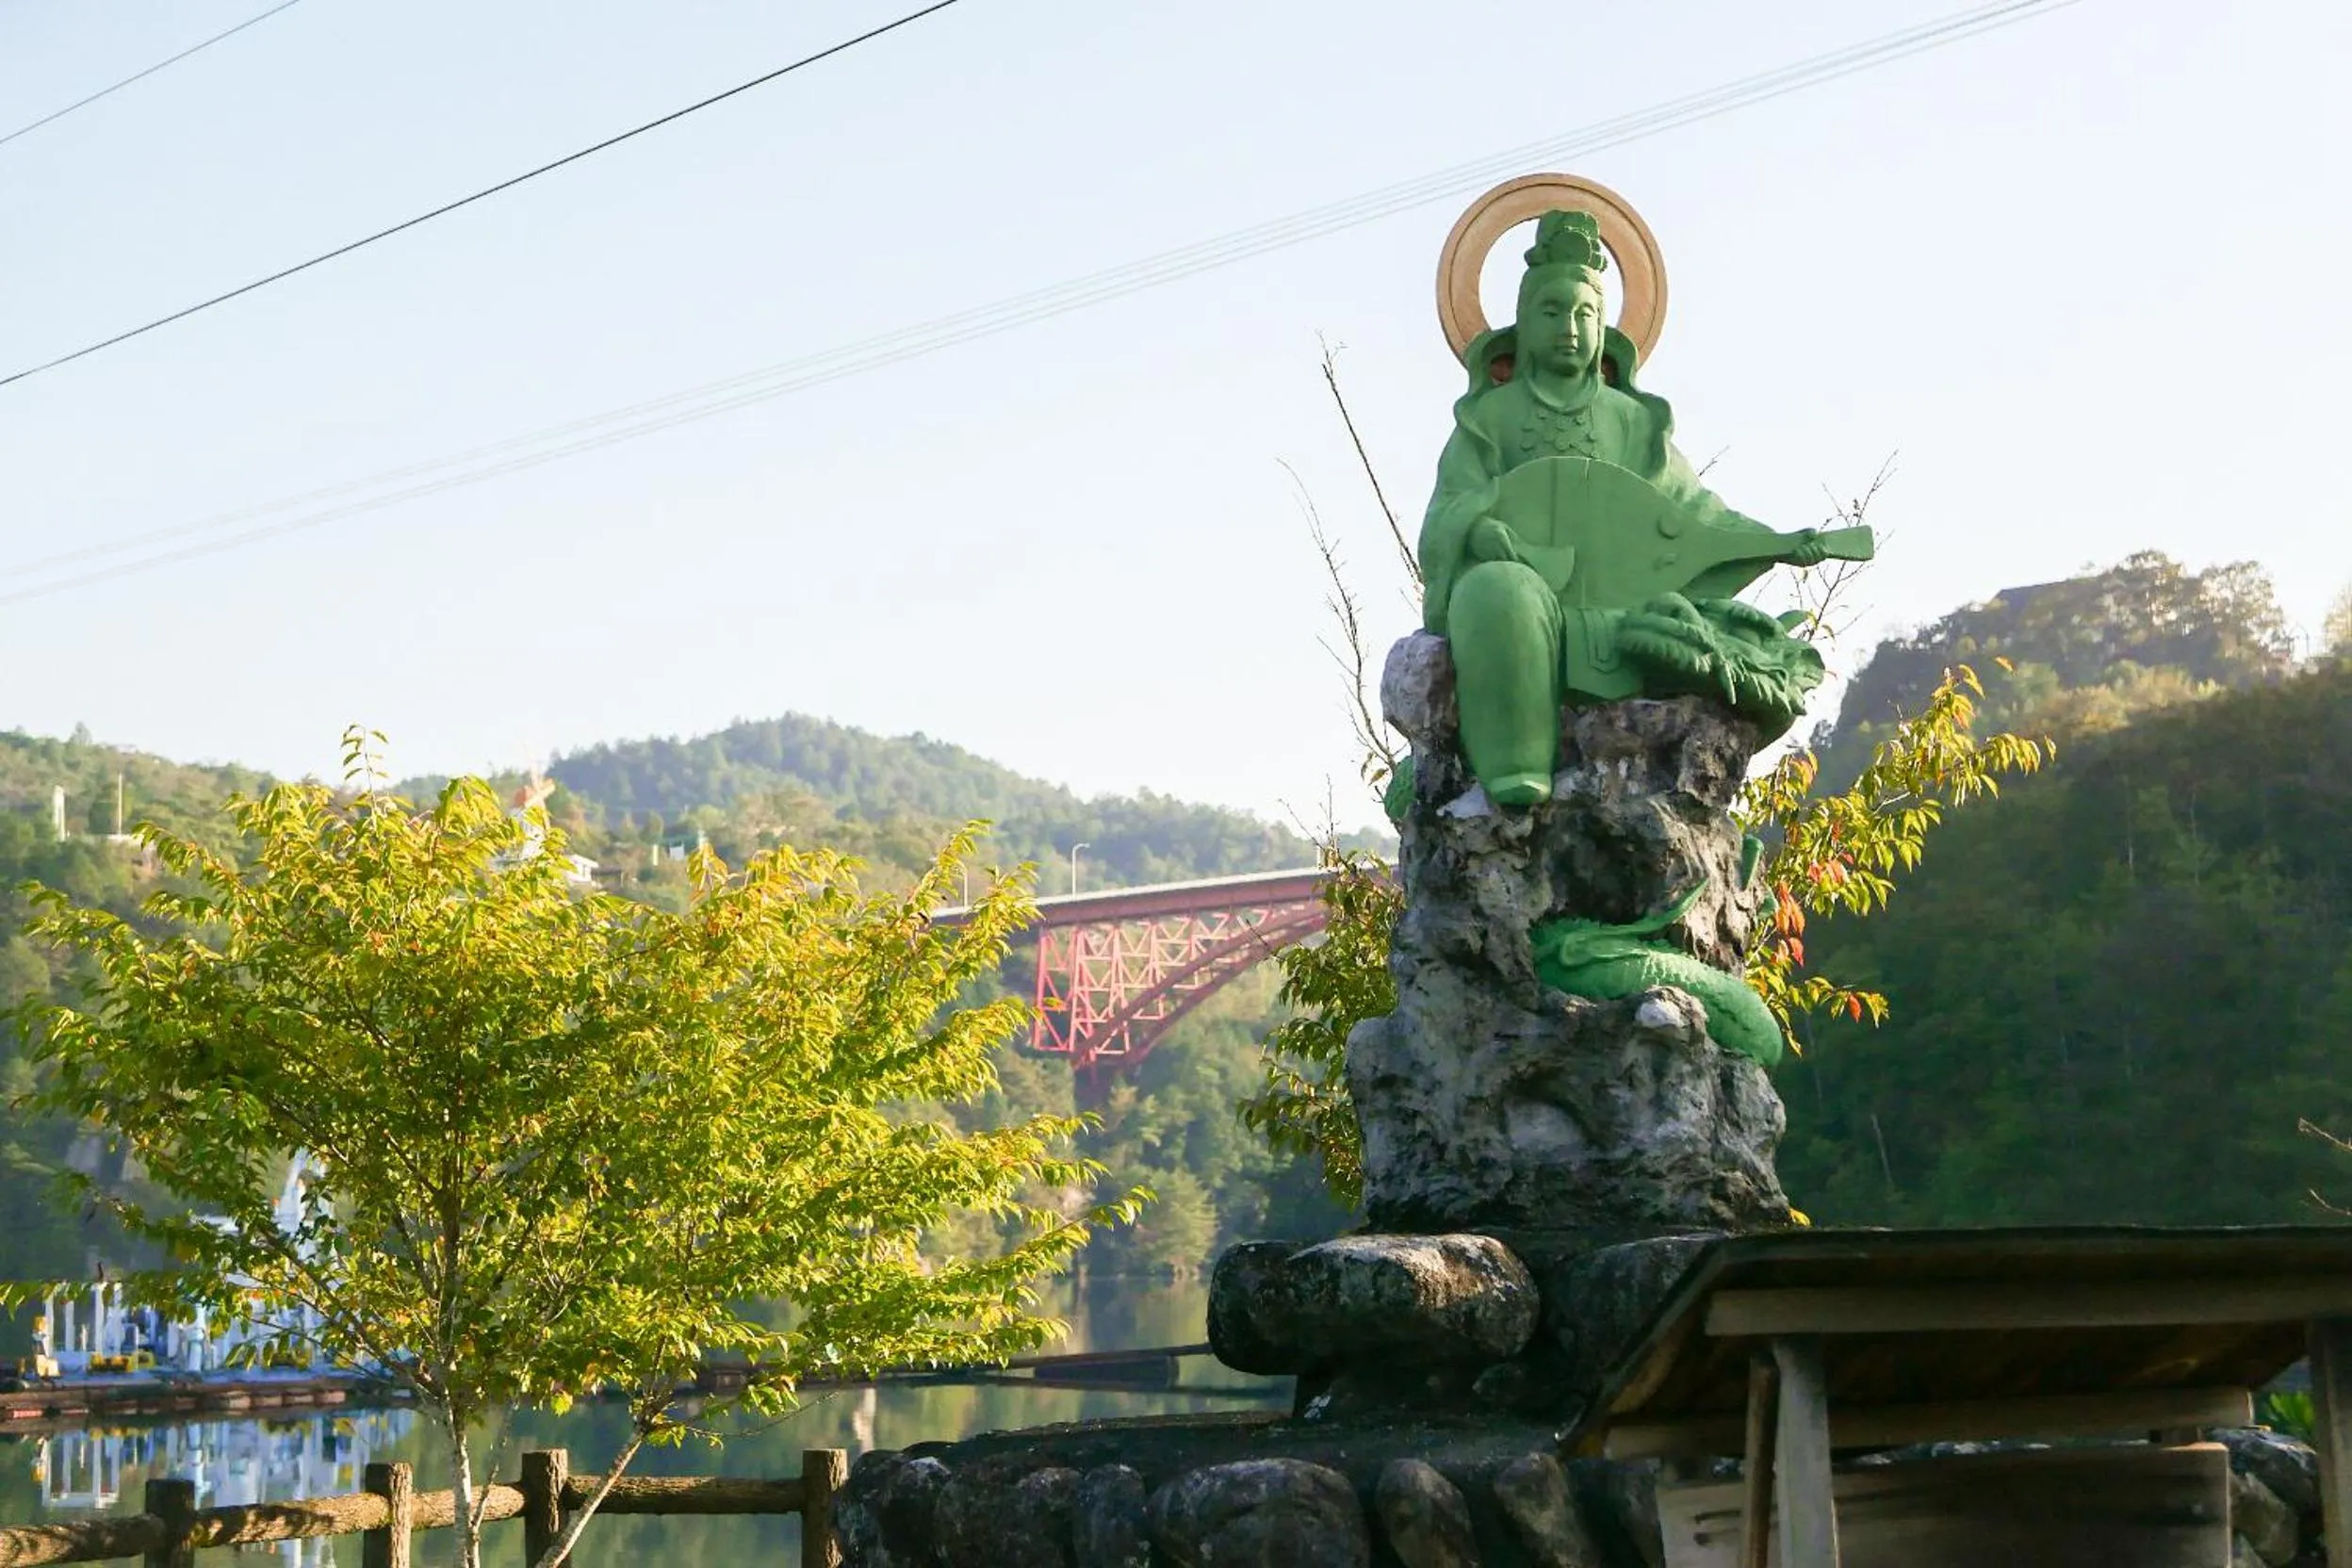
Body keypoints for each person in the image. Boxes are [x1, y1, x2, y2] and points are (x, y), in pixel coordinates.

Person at [1419, 209, 1824, 804]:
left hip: (1628, 604)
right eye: (1552, 312)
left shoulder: (1635, 421)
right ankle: (1515, 767)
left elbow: (1691, 513)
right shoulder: (1489, 418)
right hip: (1527, 600)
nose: (1570, 328)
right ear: (1523, 323)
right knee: (1495, 591)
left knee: (1694, 630)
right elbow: (1450, 507)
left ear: (1606, 327)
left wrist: (1780, 543)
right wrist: (1478, 533)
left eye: (1586, 314)